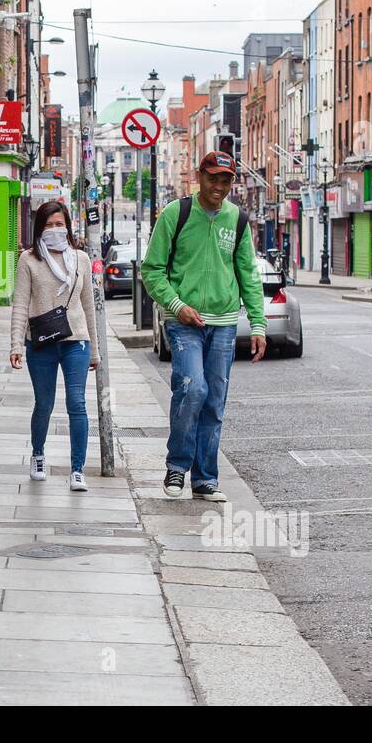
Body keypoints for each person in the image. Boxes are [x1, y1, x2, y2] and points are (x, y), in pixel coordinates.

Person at [140, 151, 266, 503]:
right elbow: (151, 270)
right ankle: (177, 466)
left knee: (214, 401)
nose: (218, 187)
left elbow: (248, 275)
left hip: (224, 323)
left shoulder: (237, 220)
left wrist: (257, 324)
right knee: (192, 389)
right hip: (184, 322)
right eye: (213, 178)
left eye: (225, 180)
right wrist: (177, 306)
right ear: (199, 176)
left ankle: (205, 478)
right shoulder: (175, 214)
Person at [10, 201, 99, 492]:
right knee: (44, 403)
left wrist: (95, 351)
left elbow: (89, 307)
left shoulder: (81, 259)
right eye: (48, 225)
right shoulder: (28, 259)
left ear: (68, 227)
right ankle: (38, 453)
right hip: (41, 342)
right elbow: (21, 303)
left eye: (59, 224)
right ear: (39, 228)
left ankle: (77, 469)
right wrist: (15, 345)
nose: (54, 230)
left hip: (76, 341)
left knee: (77, 403)